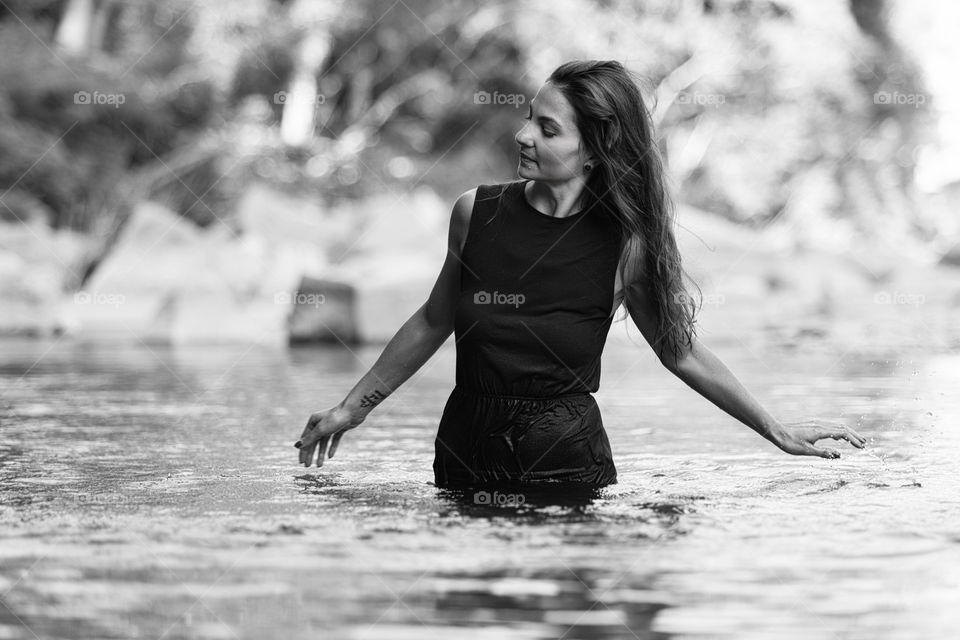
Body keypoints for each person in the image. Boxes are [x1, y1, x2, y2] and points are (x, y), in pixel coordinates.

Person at [294, 60, 866, 485]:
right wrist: (353, 407)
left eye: (548, 129)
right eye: (528, 120)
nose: (523, 136)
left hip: (565, 459)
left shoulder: (627, 245)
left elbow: (680, 352)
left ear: (594, 149)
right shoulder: (475, 213)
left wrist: (775, 429)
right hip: (464, 450)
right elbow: (433, 320)